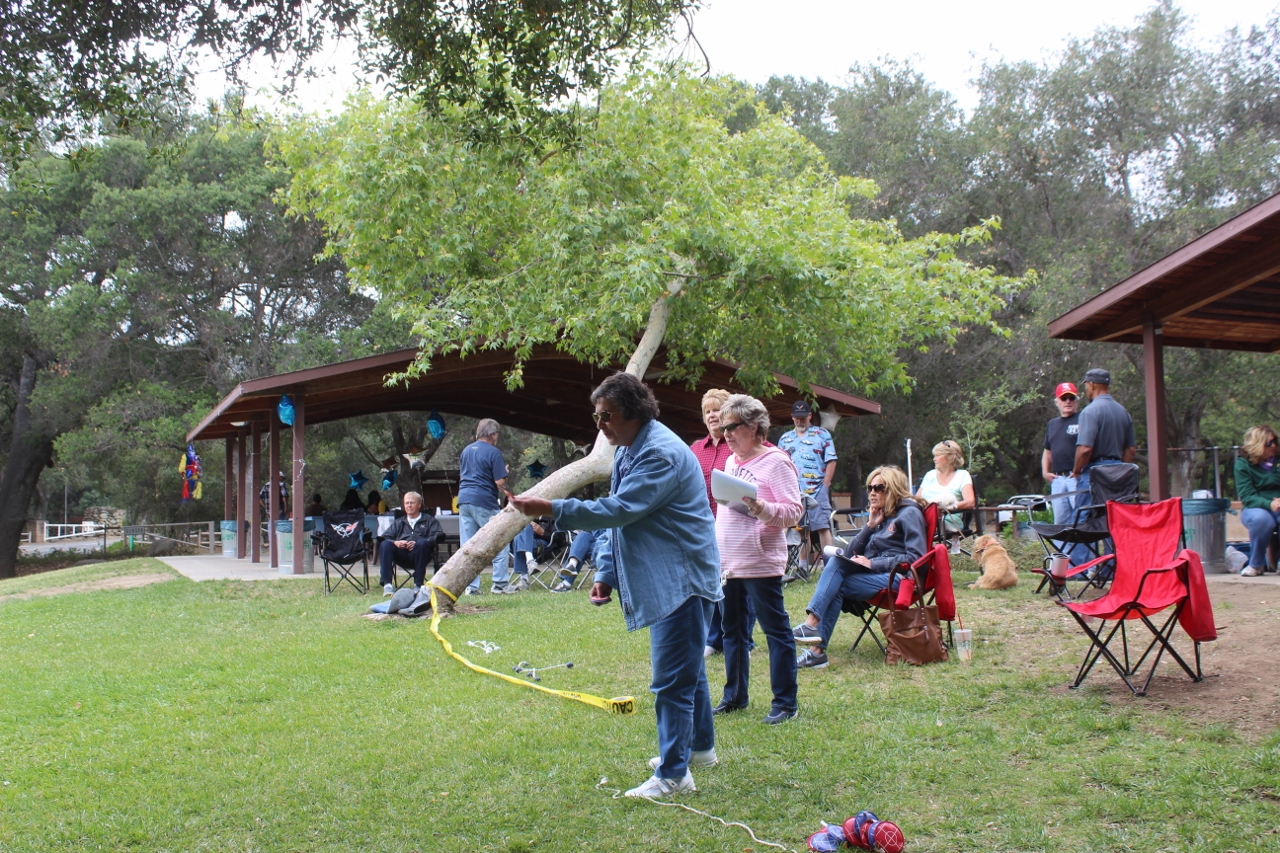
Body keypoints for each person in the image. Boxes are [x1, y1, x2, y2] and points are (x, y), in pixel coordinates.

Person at [509, 372, 721, 799]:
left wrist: (550, 506)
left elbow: (620, 509)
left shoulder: (658, 453)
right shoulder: (630, 449)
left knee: (671, 681)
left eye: (607, 415)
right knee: (689, 671)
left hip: (681, 578)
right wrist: (605, 574)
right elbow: (621, 523)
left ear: (634, 411)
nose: (600, 424)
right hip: (672, 576)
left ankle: (674, 774)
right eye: (597, 415)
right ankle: (699, 749)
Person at [712, 394, 803, 724]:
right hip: (729, 562)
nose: (726, 435)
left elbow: (794, 510)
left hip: (760, 561)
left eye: (732, 427)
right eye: (723, 429)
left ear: (753, 426)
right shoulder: (732, 462)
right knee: (732, 632)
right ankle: (734, 696)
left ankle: (784, 704)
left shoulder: (777, 462)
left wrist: (763, 508)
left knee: (775, 630)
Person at [793, 466, 928, 669]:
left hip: (901, 579)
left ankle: (813, 634)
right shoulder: (883, 514)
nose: (872, 492)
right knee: (837, 565)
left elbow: (916, 557)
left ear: (893, 489)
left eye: (879, 487)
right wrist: (870, 527)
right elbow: (848, 555)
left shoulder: (909, 513)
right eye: (870, 487)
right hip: (879, 575)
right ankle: (816, 650)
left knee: (837, 580)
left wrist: (873, 563)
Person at [689, 388, 755, 657]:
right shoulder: (695, 449)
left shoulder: (739, 447)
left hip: (735, 526)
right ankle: (714, 639)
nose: (712, 415)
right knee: (709, 584)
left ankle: (744, 640)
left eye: (717, 410)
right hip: (703, 527)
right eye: (707, 411)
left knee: (737, 586)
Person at [777, 400, 838, 579]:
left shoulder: (822, 434)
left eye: (803, 417)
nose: (800, 421)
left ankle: (830, 565)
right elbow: (780, 464)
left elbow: (832, 460)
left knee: (822, 526)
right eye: (797, 418)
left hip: (817, 488)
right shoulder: (785, 439)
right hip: (793, 491)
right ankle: (803, 567)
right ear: (792, 418)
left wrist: (825, 485)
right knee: (800, 529)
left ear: (810, 416)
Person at [458, 418, 512, 595]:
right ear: (492, 434)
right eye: (496, 435)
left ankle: (471, 587)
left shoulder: (466, 450)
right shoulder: (493, 452)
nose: (497, 438)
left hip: (464, 499)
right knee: (500, 540)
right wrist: (505, 473)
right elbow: (498, 482)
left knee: (469, 546)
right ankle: (500, 584)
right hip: (483, 500)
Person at [1070, 368, 1137, 501]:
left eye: (1086, 386)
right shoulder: (1123, 412)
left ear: (1091, 385)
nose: (1086, 390)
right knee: (1113, 515)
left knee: (1084, 516)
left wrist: (1077, 471)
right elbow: (1131, 449)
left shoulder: (1090, 411)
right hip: (1118, 473)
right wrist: (1118, 469)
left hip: (1094, 473)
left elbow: (1085, 449)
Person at [1041, 382, 1089, 565]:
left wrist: (1079, 471)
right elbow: (1047, 451)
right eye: (1064, 398)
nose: (1068, 401)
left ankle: (1083, 565)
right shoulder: (1052, 424)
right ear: (1057, 401)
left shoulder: (1083, 419)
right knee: (1061, 523)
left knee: (1080, 520)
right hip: (1058, 479)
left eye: (1071, 398)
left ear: (1077, 400)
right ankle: (1061, 565)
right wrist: (1045, 471)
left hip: (1077, 478)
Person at [1234, 425, 1280, 577]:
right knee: (1262, 520)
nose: (1273, 446)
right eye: (1268, 443)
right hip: (1255, 507)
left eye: (1275, 441)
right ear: (1257, 445)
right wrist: (1269, 503)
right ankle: (1256, 564)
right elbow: (1247, 496)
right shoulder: (1243, 464)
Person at [378, 491, 445, 595]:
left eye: (412, 503)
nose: (409, 506)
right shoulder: (399, 522)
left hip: (422, 554)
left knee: (421, 543)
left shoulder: (429, 520)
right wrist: (396, 542)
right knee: (385, 544)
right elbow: (384, 537)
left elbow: (439, 535)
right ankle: (387, 585)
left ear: (419, 504)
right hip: (402, 555)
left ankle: (418, 585)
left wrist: (419, 542)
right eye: (406, 503)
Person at [916, 440, 975, 542]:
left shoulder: (962, 475)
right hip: (923, 518)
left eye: (937, 455)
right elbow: (916, 500)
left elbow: (970, 502)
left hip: (946, 521)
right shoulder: (929, 475)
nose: (934, 459)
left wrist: (945, 508)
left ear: (949, 457)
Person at [509, 515, 557, 590]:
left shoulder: (552, 516)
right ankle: (529, 560)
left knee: (519, 540)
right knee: (522, 531)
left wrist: (543, 532)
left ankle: (525, 577)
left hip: (543, 546)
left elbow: (560, 538)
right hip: (525, 543)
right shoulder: (528, 515)